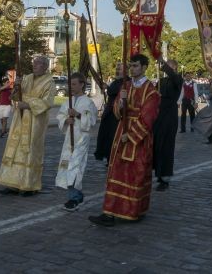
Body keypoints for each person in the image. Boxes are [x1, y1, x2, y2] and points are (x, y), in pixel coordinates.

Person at [89, 54, 161, 227]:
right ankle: (109, 212)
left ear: (144, 67)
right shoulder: (125, 86)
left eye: (135, 66)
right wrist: (120, 104)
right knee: (116, 172)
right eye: (131, 66)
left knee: (134, 175)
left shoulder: (151, 90)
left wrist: (130, 135)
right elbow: (117, 112)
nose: (132, 69)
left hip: (138, 140)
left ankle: (133, 210)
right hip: (121, 134)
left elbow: (148, 118)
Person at [0, 56, 56, 196]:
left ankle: (29, 185)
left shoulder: (50, 82)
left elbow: (48, 102)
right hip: (20, 119)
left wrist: (29, 104)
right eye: (34, 63)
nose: (35, 65)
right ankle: (12, 183)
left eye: (38, 63)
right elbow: (15, 97)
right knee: (15, 149)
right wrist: (16, 86)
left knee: (30, 150)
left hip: (35, 121)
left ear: (45, 66)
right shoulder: (27, 78)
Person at [56, 73, 98, 211]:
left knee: (75, 167)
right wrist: (66, 120)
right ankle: (77, 195)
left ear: (81, 84)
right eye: (70, 84)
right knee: (67, 165)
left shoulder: (88, 102)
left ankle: (74, 198)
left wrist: (78, 115)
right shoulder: (68, 101)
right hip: (69, 139)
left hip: (81, 139)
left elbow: (91, 121)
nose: (71, 87)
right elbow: (61, 117)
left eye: (74, 84)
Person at [153, 58, 181, 191]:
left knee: (167, 146)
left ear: (174, 68)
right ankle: (158, 173)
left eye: (169, 67)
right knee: (157, 144)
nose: (166, 69)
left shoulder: (177, 80)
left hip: (170, 116)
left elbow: (173, 77)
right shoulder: (161, 81)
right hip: (158, 115)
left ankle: (165, 178)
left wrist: (162, 62)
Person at [94, 63, 124, 163]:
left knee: (113, 136)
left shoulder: (126, 82)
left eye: (119, 69)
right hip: (109, 113)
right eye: (117, 68)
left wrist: (107, 87)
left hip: (117, 115)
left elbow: (116, 91)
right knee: (106, 136)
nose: (117, 70)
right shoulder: (116, 81)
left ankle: (113, 157)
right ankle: (108, 156)